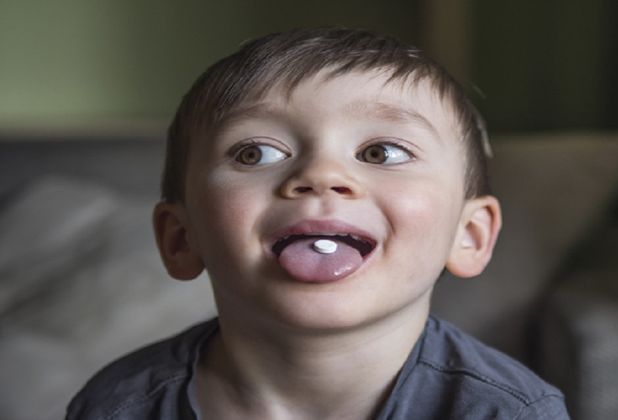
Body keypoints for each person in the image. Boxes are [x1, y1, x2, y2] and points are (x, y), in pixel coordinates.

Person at [66, 28, 569, 420]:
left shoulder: (507, 411)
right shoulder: (121, 406)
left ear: (469, 235)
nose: (321, 176)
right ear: (181, 238)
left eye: (383, 151)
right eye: (255, 152)